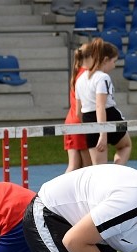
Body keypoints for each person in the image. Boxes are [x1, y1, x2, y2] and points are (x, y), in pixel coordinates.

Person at [74, 39, 131, 166]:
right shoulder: (102, 77)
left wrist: (90, 129)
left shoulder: (80, 79)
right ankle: (115, 172)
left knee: (99, 167)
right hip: (108, 116)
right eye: (114, 61)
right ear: (105, 60)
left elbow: (78, 112)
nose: (114, 66)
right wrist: (103, 133)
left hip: (88, 119)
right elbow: (100, 106)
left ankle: (107, 180)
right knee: (125, 146)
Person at [64, 44, 91, 173]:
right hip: (79, 120)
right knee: (87, 168)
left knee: (74, 165)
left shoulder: (77, 72)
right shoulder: (86, 76)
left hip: (72, 119)